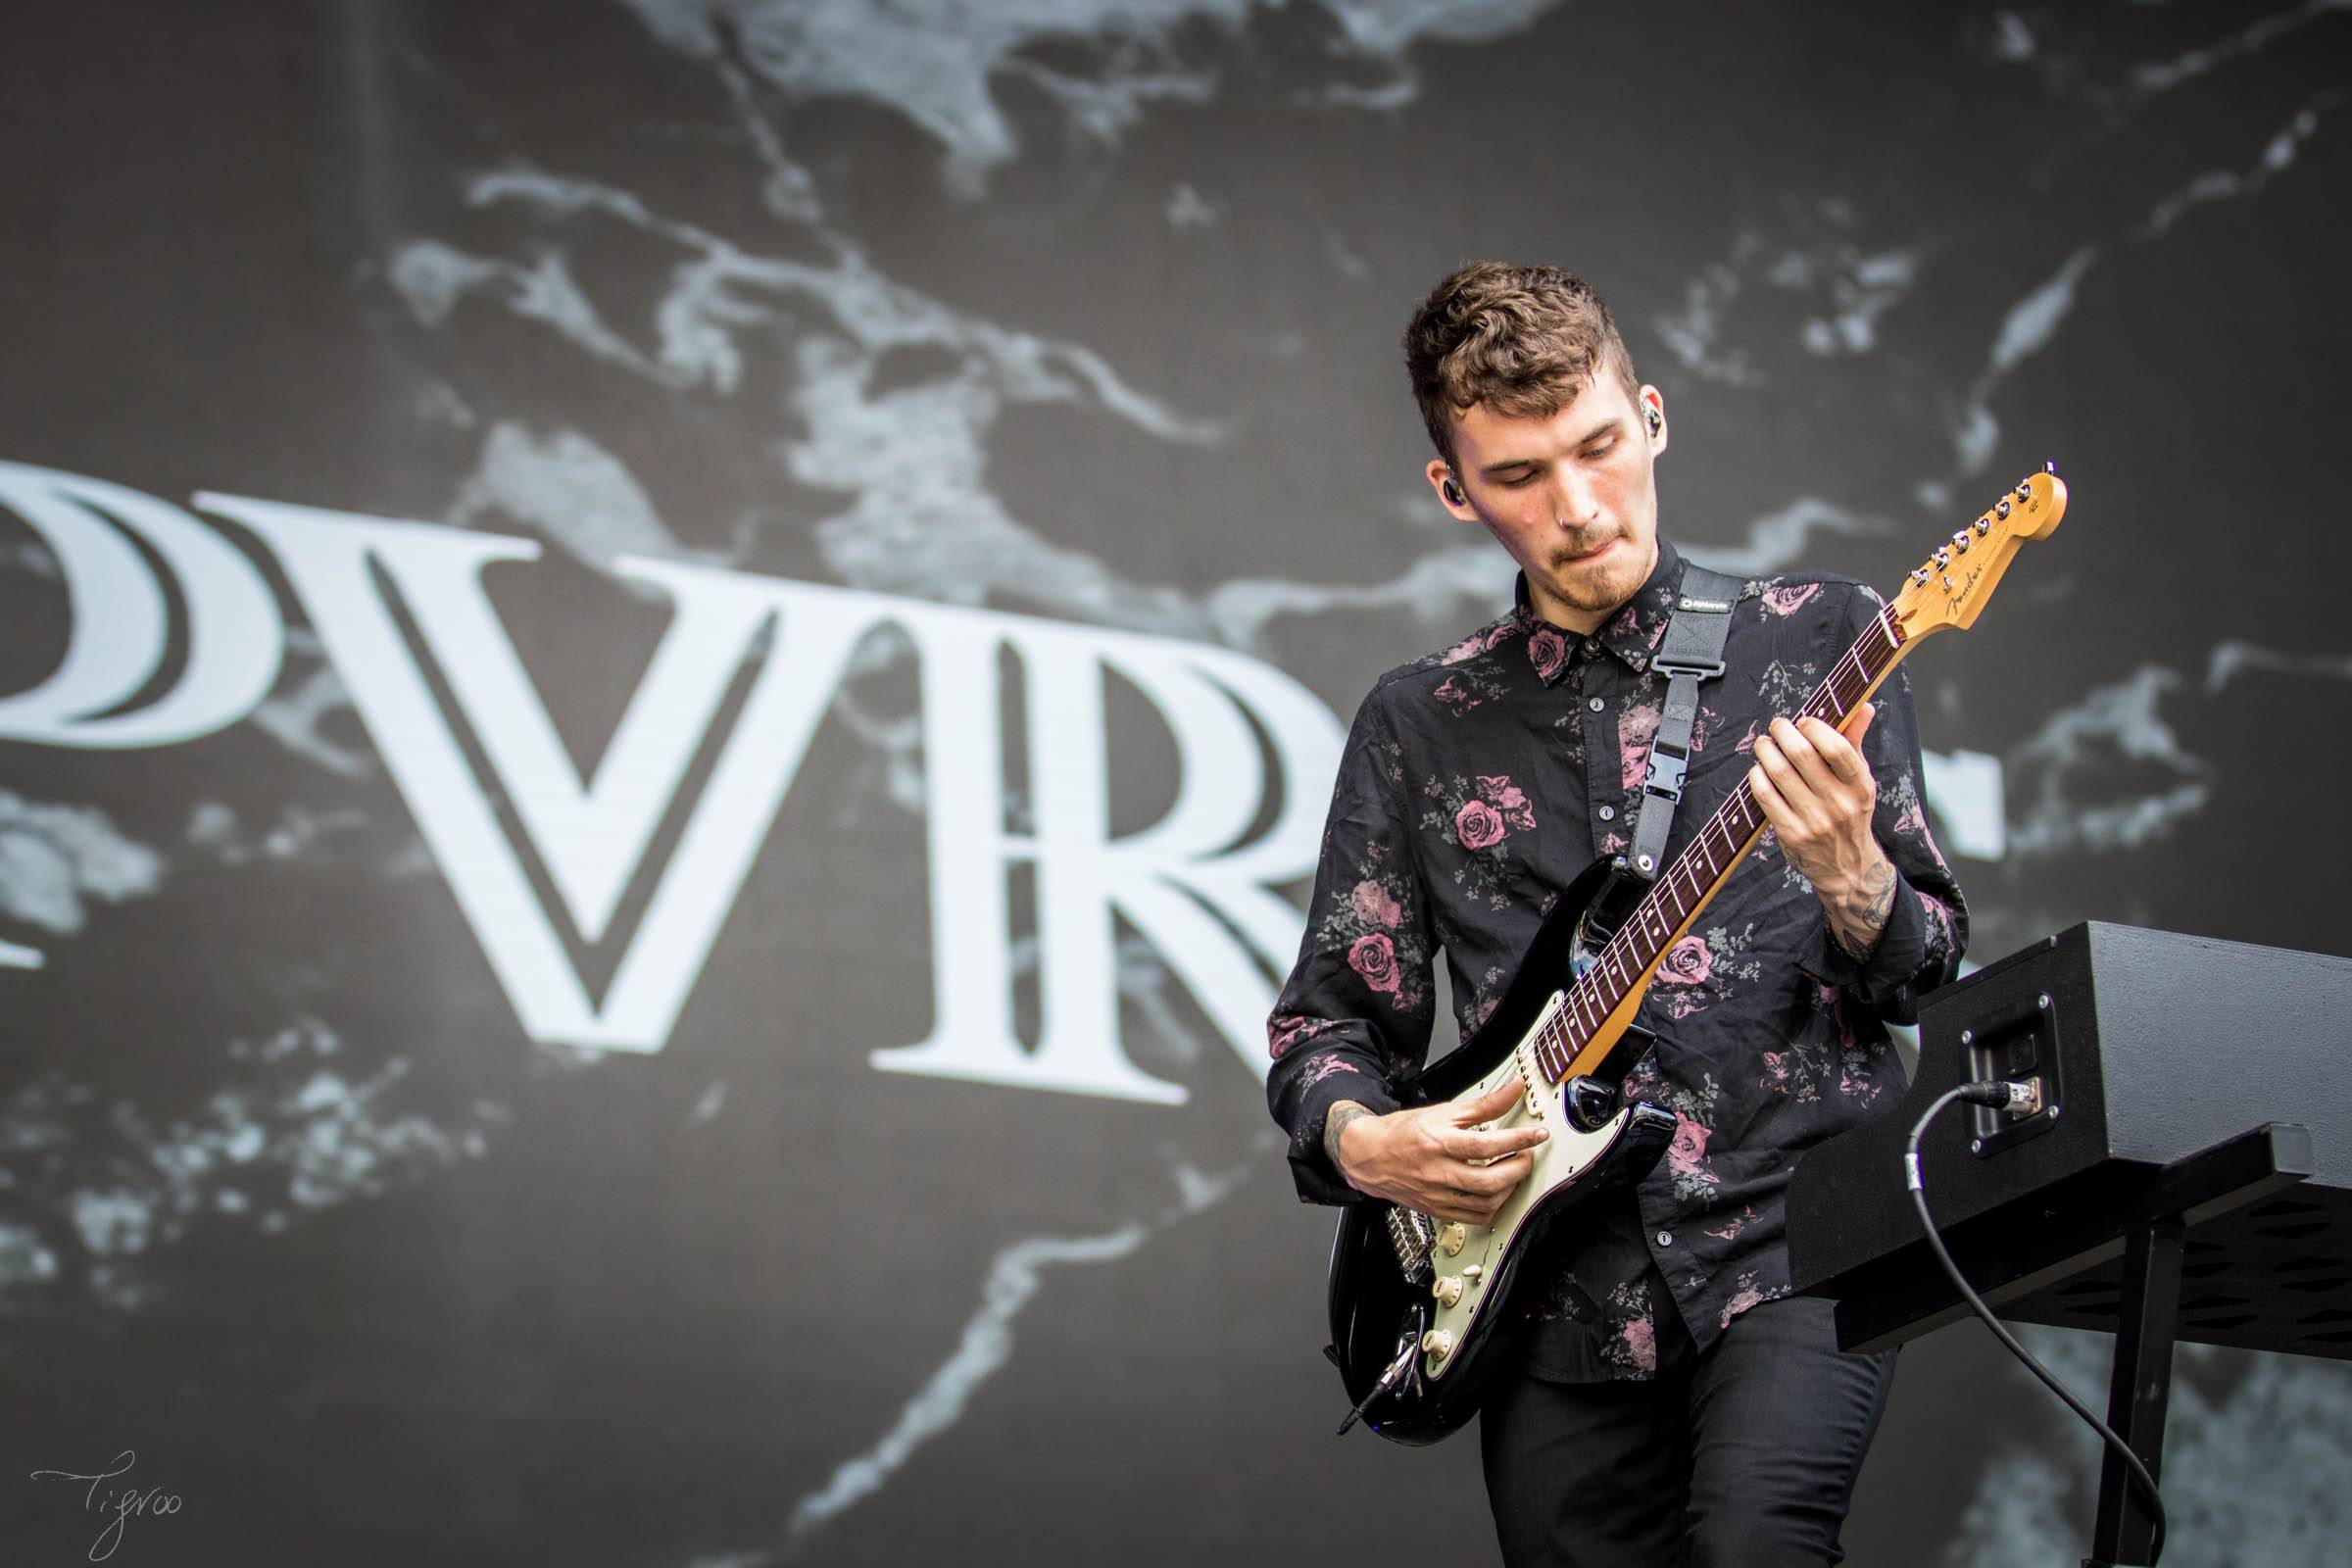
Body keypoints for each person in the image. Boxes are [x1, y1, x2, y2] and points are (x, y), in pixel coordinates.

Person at [1266, 262, 1967, 1567]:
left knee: (1763, 1544)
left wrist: (1855, 877)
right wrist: (1365, 1144)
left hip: (1790, 1234)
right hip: (1544, 1293)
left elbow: (1922, 962)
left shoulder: (1819, 640)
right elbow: (1327, 1028)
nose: (1579, 507)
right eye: (1520, 477)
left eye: (1598, 447)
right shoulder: (1420, 723)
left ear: (1651, 415)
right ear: (1453, 490)